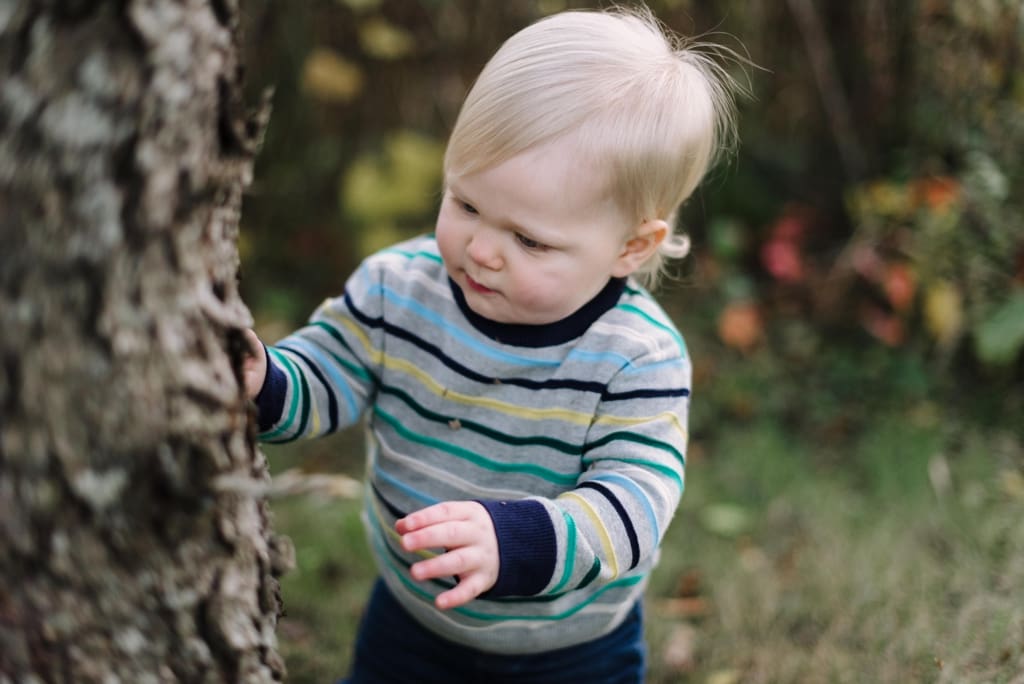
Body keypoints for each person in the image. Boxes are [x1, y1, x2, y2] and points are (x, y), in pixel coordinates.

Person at [243, 6, 740, 682]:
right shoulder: (400, 288)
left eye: (529, 240)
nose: (480, 249)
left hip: (571, 646)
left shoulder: (636, 356)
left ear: (632, 245)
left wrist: (522, 540)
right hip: (414, 620)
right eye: (466, 203)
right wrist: (264, 383)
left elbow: (637, 499)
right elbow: (327, 376)